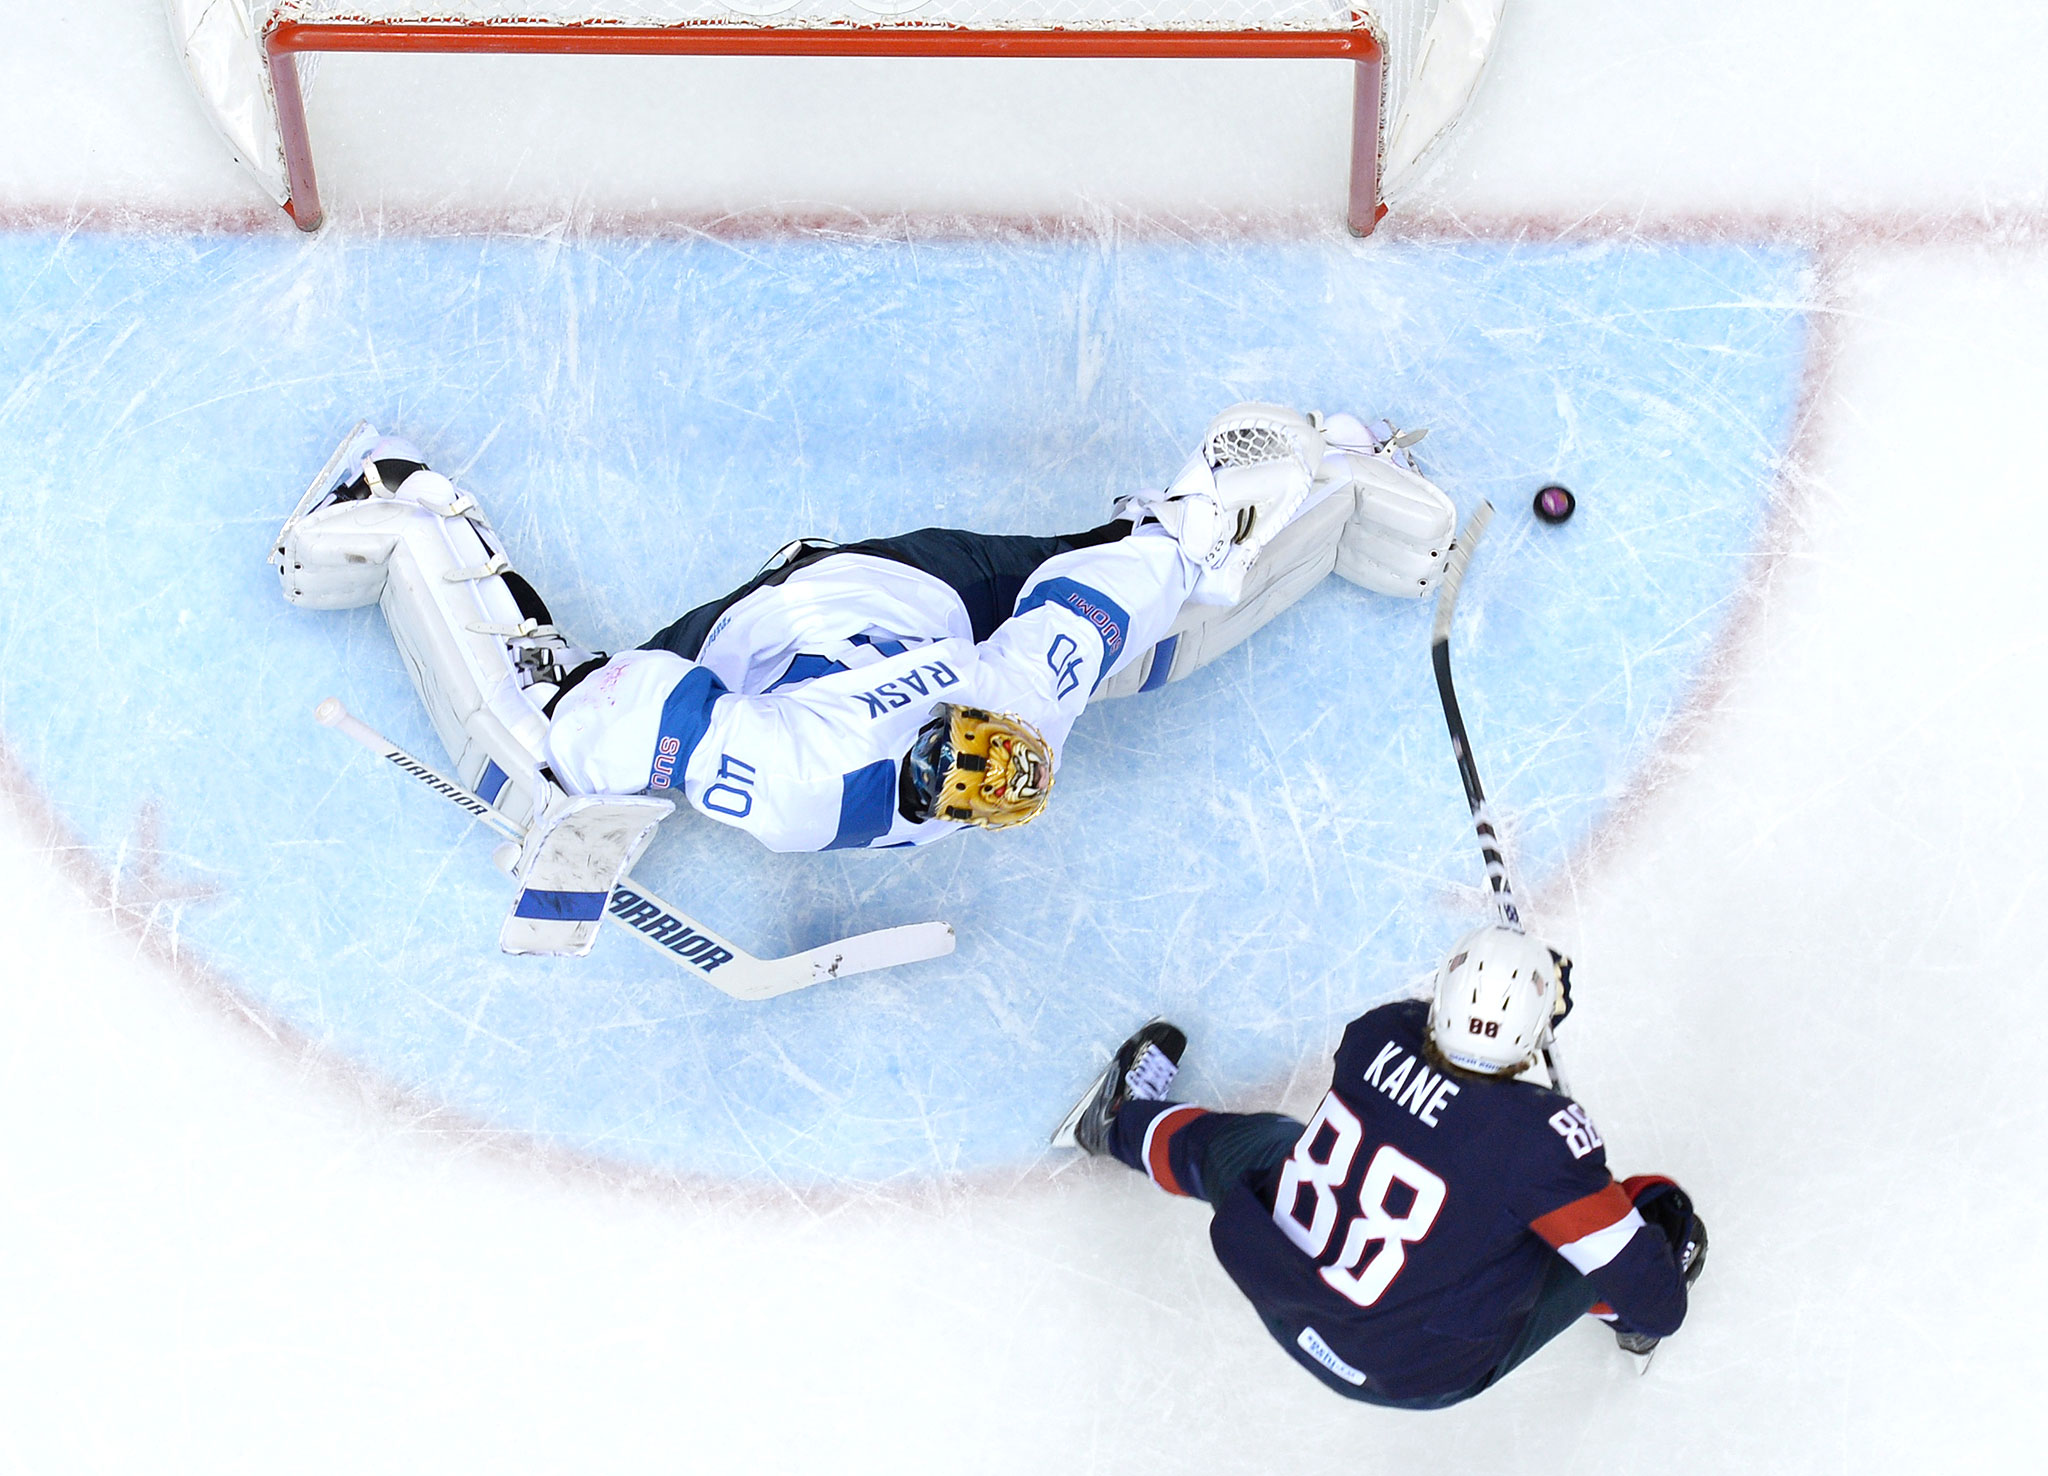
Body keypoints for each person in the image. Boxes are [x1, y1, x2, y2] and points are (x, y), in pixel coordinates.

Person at [272, 403, 1455, 952]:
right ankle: (397, 498)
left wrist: (1203, 526)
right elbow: (644, 707)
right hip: (809, 611)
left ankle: (1339, 472)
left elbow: (1090, 611)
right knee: (540, 743)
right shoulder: (793, 783)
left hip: (942, 592)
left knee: (1160, 620)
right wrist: (571, 791)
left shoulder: (1017, 703)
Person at [1054, 926, 1708, 1406]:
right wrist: (1640, 1296)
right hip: (1411, 1370)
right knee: (1653, 1214)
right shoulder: (1540, 1143)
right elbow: (1661, 1299)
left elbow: (1439, 1080)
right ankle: (1618, 1325)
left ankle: (1112, 1123)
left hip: (1287, 1299)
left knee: (1261, 1145)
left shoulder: (1378, 1033)